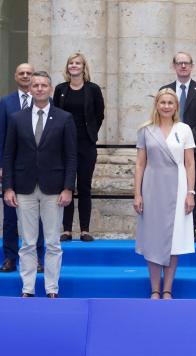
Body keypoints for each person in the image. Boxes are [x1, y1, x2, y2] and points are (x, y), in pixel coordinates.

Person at [3, 71, 77, 298]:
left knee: (53, 242)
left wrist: (67, 188)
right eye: (35, 85)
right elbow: (9, 155)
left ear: (50, 88)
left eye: (44, 85)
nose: (39, 89)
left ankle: (52, 289)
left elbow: (71, 156)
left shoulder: (64, 118)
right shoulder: (17, 118)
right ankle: (28, 289)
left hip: (54, 189)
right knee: (27, 242)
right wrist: (7, 187)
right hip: (24, 188)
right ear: (30, 89)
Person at [134, 89, 196, 299]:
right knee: (152, 237)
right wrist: (137, 194)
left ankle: (167, 288)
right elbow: (140, 164)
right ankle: (154, 289)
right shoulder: (145, 130)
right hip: (152, 187)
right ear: (157, 105)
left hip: (178, 188)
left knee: (174, 238)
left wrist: (190, 192)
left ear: (176, 106)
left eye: (171, 103)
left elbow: (190, 163)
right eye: (163, 102)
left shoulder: (184, 129)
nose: (167, 106)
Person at [54, 53, 105, 242]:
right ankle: (66, 229)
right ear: (67, 67)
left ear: (84, 67)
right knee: (66, 185)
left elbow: (99, 114)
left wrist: (90, 132)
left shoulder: (93, 89)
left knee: (84, 185)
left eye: (78, 63)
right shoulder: (60, 89)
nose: (74, 66)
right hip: (63, 144)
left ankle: (84, 229)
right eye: (71, 63)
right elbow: (55, 114)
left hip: (86, 144)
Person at [160, 52, 196, 242]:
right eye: (179, 63)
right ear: (173, 66)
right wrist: (174, 140)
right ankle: (169, 225)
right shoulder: (165, 90)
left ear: (192, 66)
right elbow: (160, 119)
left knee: (191, 187)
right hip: (168, 149)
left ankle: (191, 228)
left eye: (186, 63)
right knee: (169, 187)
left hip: (194, 149)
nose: (183, 66)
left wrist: (185, 140)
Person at [0, 63, 44, 273]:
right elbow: (1, 136)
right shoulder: (5, 102)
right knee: (10, 217)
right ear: (15, 76)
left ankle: (37, 258)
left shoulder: (45, 102)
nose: (25, 76)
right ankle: (9, 258)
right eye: (22, 73)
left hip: (38, 170)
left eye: (29, 73)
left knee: (39, 217)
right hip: (12, 168)